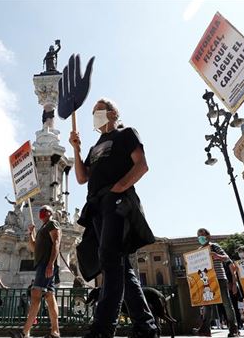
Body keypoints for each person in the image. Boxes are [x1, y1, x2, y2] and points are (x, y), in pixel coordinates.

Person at [69, 98, 158, 338]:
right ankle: (146, 327)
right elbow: (81, 177)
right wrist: (76, 149)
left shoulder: (126, 133)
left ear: (112, 113)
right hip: (96, 207)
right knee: (121, 267)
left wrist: (117, 189)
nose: (95, 115)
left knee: (108, 259)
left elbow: (141, 165)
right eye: (93, 112)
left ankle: (102, 328)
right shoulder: (95, 146)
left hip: (117, 202)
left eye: (99, 110)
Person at [11, 205, 61, 338]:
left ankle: (24, 332)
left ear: (50, 213)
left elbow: (56, 243)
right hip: (41, 264)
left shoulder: (52, 223)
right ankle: (55, 332)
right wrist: (31, 233)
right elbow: (33, 248)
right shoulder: (42, 230)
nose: (41, 212)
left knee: (35, 294)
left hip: (46, 264)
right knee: (50, 297)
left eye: (44, 210)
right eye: (40, 211)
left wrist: (51, 263)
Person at [194, 228, 240, 337]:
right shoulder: (199, 250)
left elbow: (227, 258)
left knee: (226, 304)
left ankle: (234, 329)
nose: (200, 237)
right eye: (198, 235)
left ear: (208, 236)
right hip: (207, 281)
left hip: (219, 278)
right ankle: (205, 329)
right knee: (207, 305)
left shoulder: (214, 246)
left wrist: (217, 256)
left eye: (202, 235)